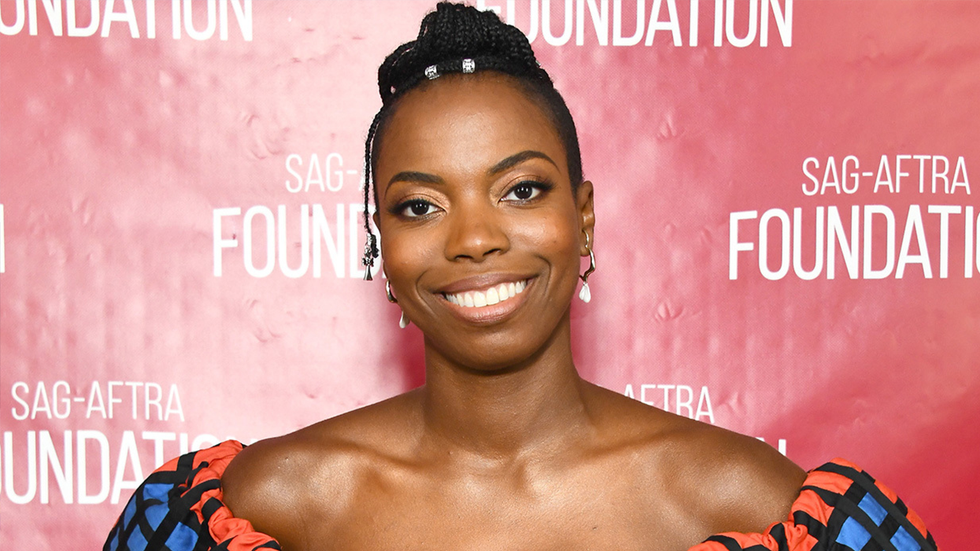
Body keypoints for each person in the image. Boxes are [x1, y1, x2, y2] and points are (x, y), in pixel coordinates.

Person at [104, 4, 939, 551]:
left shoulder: (757, 506)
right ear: (379, 245)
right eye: (420, 205)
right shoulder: (253, 509)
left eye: (522, 190)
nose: (474, 239)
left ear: (583, 217)